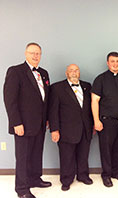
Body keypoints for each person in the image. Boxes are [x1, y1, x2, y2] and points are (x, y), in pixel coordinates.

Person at [3, 42, 51, 198]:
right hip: (22, 124)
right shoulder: (16, 71)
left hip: (40, 123)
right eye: (33, 53)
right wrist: (16, 122)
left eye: (38, 53)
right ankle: (22, 189)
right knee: (23, 157)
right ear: (26, 53)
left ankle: (35, 179)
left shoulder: (44, 73)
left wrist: (47, 119)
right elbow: (10, 100)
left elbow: (46, 99)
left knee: (37, 153)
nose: (36, 56)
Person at [91, 52, 118, 187]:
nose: (115, 64)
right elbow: (95, 101)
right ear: (107, 63)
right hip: (106, 122)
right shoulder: (100, 79)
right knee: (106, 149)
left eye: (117, 61)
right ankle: (106, 175)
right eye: (112, 61)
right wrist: (96, 121)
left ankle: (117, 172)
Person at [48, 64, 94, 191]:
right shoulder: (57, 88)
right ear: (66, 73)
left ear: (79, 72)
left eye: (76, 70)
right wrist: (54, 129)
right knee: (66, 156)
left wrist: (93, 125)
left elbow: (90, 108)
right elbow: (53, 111)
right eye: (71, 70)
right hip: (66, 130)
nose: (74, 72)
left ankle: (83, 176)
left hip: (85, 128)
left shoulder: (87, 86)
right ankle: (66, 180)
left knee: (83, 155)